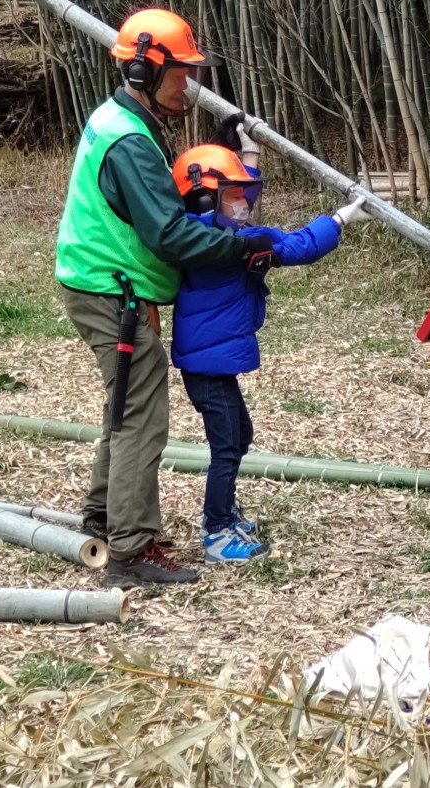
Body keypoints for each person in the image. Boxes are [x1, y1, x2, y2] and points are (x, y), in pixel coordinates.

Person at [55, 8, 278, 588]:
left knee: (124, 406)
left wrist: (230, 150)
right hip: (112, 291)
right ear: (143, 69)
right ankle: (129, 550)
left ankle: (103, 519)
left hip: (106, 283)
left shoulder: (126, 122)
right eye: (179, 72)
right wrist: (245, 247)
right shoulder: (128, 139)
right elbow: (171, 232)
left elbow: (173, 201)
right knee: (141, 417)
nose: (187, 84)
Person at [170, 130, 371, 563]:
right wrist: (339, 220)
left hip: (210, 361)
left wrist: (250, 152)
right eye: (234, 196)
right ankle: (218, 533)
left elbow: (229, 199)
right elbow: (298, 247)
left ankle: (223, 514)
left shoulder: (200, 232)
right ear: (205, 202)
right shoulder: (230, 248)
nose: (244, 203)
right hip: (207, 367)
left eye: (245, 193)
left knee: (240, 436)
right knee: (227, 446)